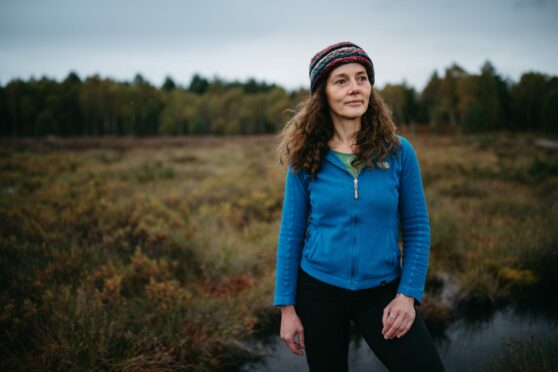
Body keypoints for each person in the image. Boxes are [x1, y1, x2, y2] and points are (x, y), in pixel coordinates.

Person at [273, 42, 445, 372]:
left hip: (382, 291)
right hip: (319, 291)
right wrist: (287, 308)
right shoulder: (306, 156)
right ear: (322, 93)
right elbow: (291, 234)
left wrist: (408, 295)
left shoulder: (398, 152)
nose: (355, 88)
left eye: (362, 78)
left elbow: (417, 228)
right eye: (341, 81)